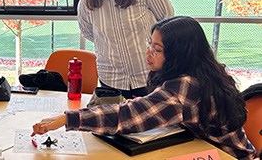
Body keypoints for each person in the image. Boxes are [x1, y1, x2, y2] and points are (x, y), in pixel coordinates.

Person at [32, 16, 256, 159]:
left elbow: (130, 116)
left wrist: (69, 119)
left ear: (178, 55)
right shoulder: (204, 70)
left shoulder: (186, 88)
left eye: (157, 49)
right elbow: (146, 106)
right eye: (150, 44)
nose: (148, 52)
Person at [78, 0, 175, 98]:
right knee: (112, 121)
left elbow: (169, 23)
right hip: (110, 77)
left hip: (148, 74)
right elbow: (89, 33)